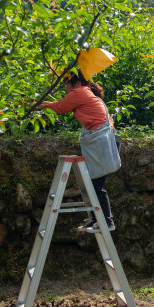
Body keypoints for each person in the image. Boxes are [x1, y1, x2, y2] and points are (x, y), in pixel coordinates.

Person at [36, 71, 120, 233]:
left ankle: (107, 222)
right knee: (91, 184)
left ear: (76, 83)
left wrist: (37, 105)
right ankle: (95, 220)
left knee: (95, 185)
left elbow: (58, 107)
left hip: (104, 145)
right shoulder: (86, 93)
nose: (66, 88)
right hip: (104, 144)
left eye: (67, 84)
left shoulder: (79, 92)